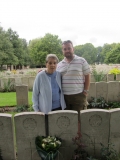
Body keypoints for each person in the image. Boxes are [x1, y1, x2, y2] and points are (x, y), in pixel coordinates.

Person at [57, 40, 90, 112]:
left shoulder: (82, 61)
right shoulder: (59, 64)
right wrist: (43, 72)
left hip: (78, 95)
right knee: (67, 119)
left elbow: (87, 75)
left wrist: (85, 91)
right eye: (65, 49)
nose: (67, 50)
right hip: (64, 97)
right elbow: (53, 75)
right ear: (62, 51)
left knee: (79, 119)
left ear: (73, 49)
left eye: (69, 48)